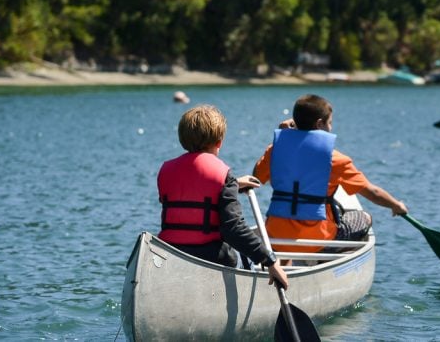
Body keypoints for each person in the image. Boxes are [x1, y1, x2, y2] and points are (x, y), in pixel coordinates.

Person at [253, 94, 408, 264]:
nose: (331, 127)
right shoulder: (336, 160)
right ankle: (329, 263)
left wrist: (284, 140)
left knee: (288, 229)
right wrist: (395, 205)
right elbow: (373, 192)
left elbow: (255, 178)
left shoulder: (274, 150)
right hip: (318, 240)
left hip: (276, 234)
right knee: (364, 218)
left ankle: (284, 268)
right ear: (320, 124)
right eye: (330, 123)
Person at [157, 105, 289, 289]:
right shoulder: (222, 174)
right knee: (247, 259)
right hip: (211, 257)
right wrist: (270, 260)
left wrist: (233, 184)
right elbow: (233, 229)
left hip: (172, 253)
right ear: (219, 142)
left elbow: (193, 190)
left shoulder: (166, 171)